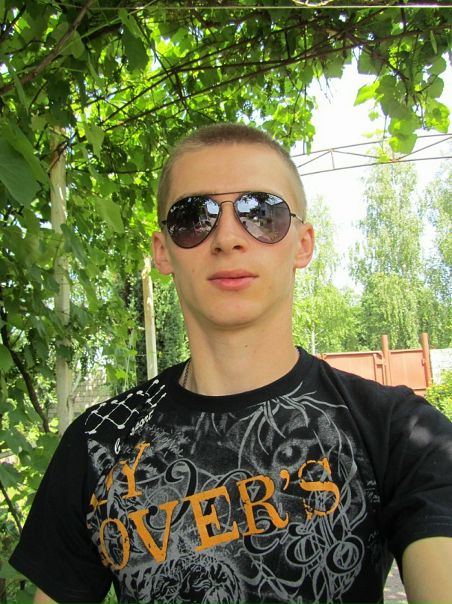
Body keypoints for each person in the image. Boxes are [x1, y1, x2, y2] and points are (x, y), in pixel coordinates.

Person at [10, 123, 452, 604]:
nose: (226, 237)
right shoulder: (99, 445)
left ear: (303, 244)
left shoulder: (398, 430)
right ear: (163, 252)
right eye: (193, 217)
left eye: (261, 213)